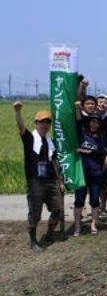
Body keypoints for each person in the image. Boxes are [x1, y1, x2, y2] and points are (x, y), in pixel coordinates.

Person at [14, 102, 64, 252]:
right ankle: (33, 241)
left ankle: (49, 234)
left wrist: (60, 181)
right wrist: (18, 111)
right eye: (41, 122)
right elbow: (21, 128)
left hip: (49, 181)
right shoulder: (30, 139)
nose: (45, 125)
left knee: (57, 209)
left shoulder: (50, 143)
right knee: (35, 214)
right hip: (35, 181)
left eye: (47, 122)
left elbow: (54, 161)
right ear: (36, 123)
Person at [74, 114, 107, 236]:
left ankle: (93, 224)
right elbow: (78, 122)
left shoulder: (101, 138)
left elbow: (103, 152)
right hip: (82, 174)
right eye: (92, 122)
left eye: (97, 123)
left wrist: (86, 151)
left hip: (95, 174)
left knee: (94, 200)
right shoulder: (82, 135)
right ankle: (77, 226)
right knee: (79, 200)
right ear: (88, 123)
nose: (94, 125)